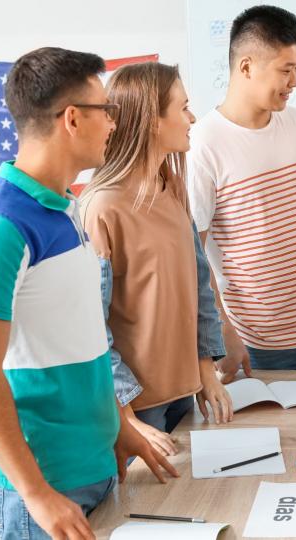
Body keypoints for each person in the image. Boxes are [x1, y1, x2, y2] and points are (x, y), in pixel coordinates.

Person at [0, 47, 176, 540]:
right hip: (43, 486)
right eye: (108, 111)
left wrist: (116, 429)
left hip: (86, 466)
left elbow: (78, 337)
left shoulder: (64, 209)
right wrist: (35, 494)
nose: (115, 125)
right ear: (73, 119)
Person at [187, 5, 296, 372]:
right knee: (279, 433)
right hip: (260, 342)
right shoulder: (203, 144)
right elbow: (195, 253)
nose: (295, 81)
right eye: (286, 70)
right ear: (247, 67)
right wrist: (223, 330)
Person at [80, 61, 237, 458]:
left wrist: (206, 373)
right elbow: (90, 330)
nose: (192, 117)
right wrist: (127, 418)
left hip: (185, 393)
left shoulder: (171, 186)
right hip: (137, 410)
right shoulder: (102, 207)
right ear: (152, 120)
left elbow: (198, 286)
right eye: (183, 107)